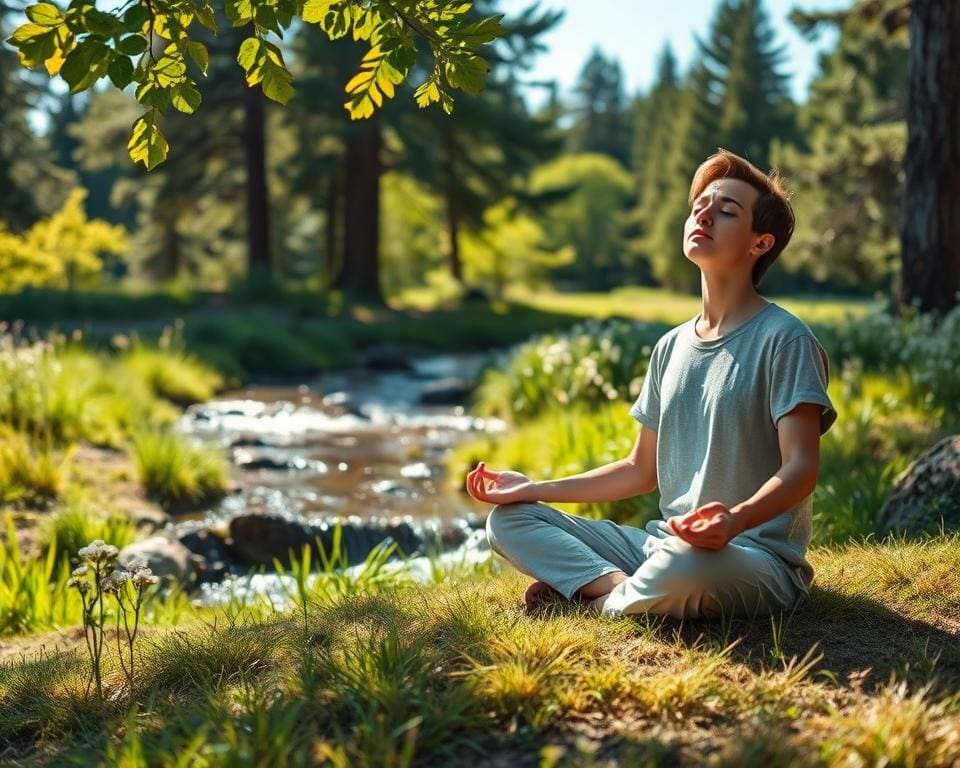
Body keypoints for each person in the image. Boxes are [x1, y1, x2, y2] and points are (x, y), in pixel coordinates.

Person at [465, 149, 838, 620]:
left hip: (752, 560)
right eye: (699, 205)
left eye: (726, 211)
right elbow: (640, 470)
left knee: (685, 563)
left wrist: (735, 519)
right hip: (661, 546)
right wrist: (533, 488)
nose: (704, 214)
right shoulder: (670, 347)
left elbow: (802, 467)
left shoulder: (786, 340)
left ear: (759, 244)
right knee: (510, 520)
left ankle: (595, 598)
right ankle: (620, 591)